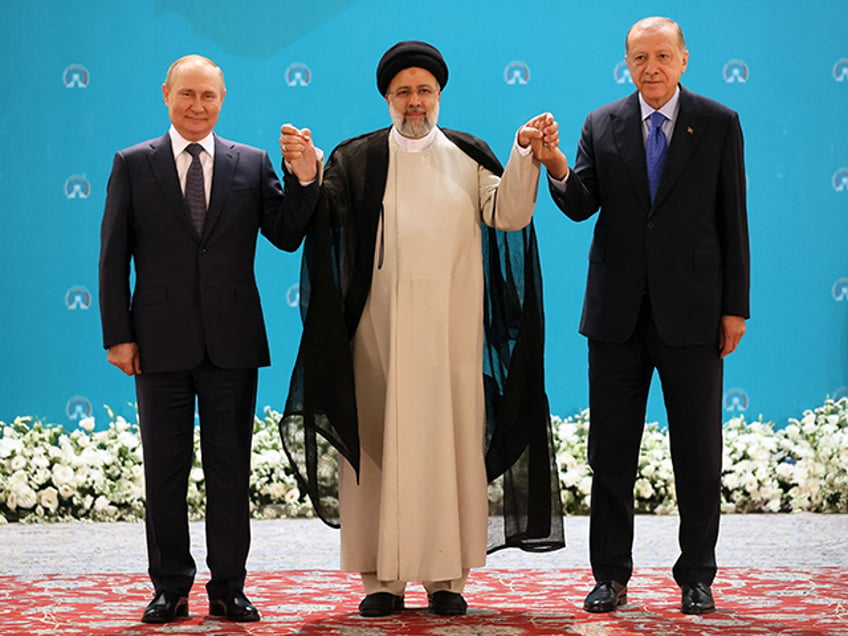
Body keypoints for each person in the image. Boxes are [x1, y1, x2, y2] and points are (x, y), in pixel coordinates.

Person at [277, 40, 565, 617]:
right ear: (387, 97)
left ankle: (445, 578)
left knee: (447, 451)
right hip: (376, 340)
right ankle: (379, 581)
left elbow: (508, 213)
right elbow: (326, 216)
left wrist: (525, 154)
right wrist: (306, 173)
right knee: (379, 454)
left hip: (451, 342)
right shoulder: (356, 158)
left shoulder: (467, 154)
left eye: (424, 91)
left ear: (439, 96)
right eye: (403, 91)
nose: (414, 102)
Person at [98, 54, 318, 624]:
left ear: (223, 100)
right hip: (157, 343)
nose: (198, 106)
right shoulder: (132, 163)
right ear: (166, 93)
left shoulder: (252, 162)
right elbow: (111, 256)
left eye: (209, 97)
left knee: (230, 469)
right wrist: (117, 336)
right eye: (188, 94)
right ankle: (170, 587)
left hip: (232, 343)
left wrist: (305, 178)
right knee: (163, 470)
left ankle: (228, 587)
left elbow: (287, 235)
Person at [542, 17, 750, 615]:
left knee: (697, 452)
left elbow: (732, 218)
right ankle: (610, 575)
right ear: (626, 64)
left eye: (663, 56)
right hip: (616, 318)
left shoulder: (717, 123)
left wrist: (735, 307)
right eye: (640, 58)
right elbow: (581, 205)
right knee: (610, 454)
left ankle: (697, 576)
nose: (651, 67)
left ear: (684, 59)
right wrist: (557, 163)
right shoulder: (600, 124)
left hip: (694, 314)